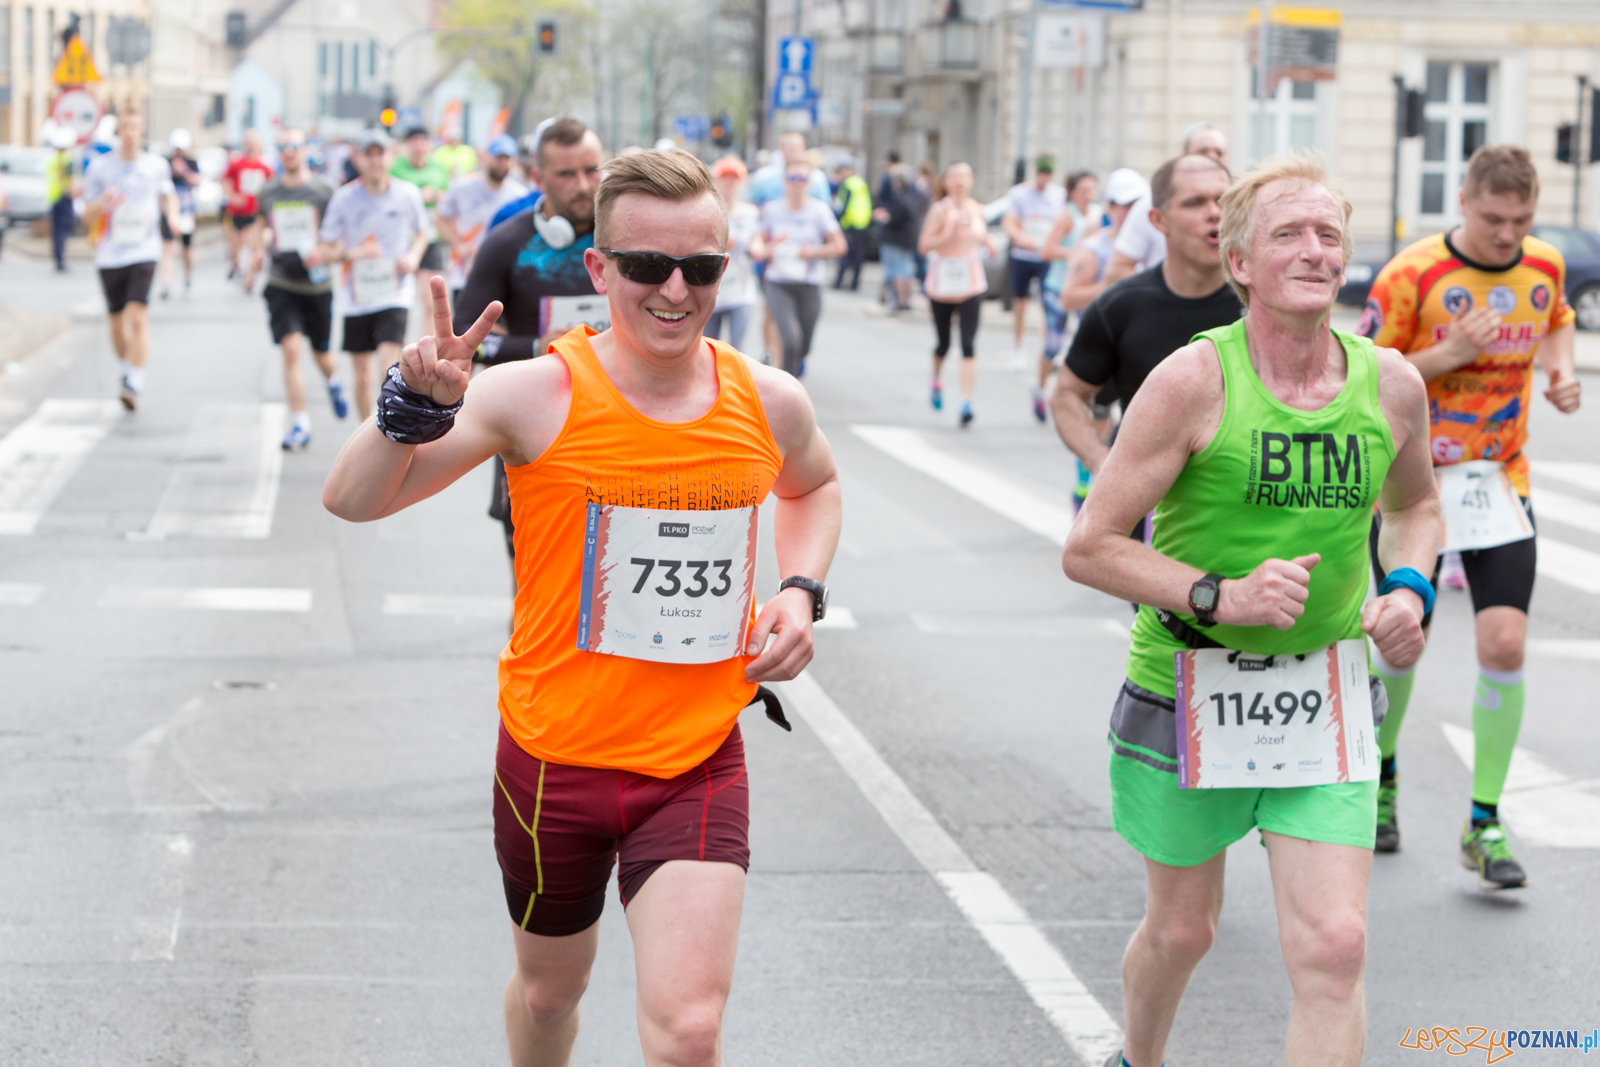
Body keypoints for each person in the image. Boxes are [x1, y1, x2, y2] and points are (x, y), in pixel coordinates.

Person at [321, 147, 841, 1067]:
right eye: (646, 266)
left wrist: (799, 591)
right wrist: (410, 403)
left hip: (694, 758)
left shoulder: (768, 400)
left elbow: (815, 487)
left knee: (688, 1031)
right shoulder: (534, 393)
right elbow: (355, 498)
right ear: (600, 269)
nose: (674, 290)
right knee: (551, 993)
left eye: (702, 267)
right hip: (553, 763)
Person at [1062, 153, 1439, 1067]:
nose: (1315, 251)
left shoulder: (1390, 384)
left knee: (1334, 944)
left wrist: (1410, 589)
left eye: (1328, 234)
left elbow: (1416, 507)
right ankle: (1137, 1057)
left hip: (1326, 690)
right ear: (1240, 262)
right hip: (1192, 683)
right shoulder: (1194, 382)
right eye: (1288, 234)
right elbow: (1091, 545)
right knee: (1184, 930)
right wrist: (1221, 595)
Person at [1358, 144, 1581, 886]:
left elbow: (1559, 317)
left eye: (1520, 220)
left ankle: (1483, 820)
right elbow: (1362, 377)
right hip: (1412, 487)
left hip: (1498, 480)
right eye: (1493, 218)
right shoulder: (1412, 274)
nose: (1507, 235)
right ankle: (1382, 779)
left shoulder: (1542, 265)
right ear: (1462, 200)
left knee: (1507, 642)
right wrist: (1447, 352)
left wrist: (1561, 372)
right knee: (1400, 641)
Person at [453, 116, 607, 571]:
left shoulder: (629, 240)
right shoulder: (507, 243)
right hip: (533, 436)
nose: (583, 185)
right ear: (538, 178)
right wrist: (538, 346)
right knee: (531, 601)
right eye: (566, 174)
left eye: (592, 170)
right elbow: (465, 344)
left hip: (621, 432)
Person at [1051, 154, 1238, 522]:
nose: (1215, 213)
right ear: (1158, 220)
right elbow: (1067, 393)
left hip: (1234, 513)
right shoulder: (1121, 304)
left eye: (1223, 200)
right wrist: (1099, 460)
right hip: (1145, 509)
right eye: (1195, 203)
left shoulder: (1263, 303)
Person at [317, 128, 430, 420]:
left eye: (381, 154)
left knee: (387, 368)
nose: (376, 161)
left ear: (391, 157)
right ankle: (364, 434)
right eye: (369, 155)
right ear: (358, 159)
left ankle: (386, 429)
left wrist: (413, 256)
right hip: (357, 295)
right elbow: (325, 250)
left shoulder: (407, 194)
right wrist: (353, 254)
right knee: (364, 376)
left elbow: (423, 232)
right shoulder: (343, 199)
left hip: (395, 291)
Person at [252, 127, 348, 452]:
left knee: (322, 355)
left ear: (306, 150)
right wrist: (255, 253)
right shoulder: (268, 192)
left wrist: (326, 251)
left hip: (317, 284)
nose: (289, 151)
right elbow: (262, 228)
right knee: (291, 348)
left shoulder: (324, 191)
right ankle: (300, 424)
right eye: (282, 146)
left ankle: (332, 383)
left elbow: (339, 235)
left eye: (294, 145)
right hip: (282, 281)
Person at [81, 110, 180, 412]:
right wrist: (102, 202)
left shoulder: (155, 166)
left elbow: (168, 196)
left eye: (135, 126)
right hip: (110, 253)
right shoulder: (100, 167)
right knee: (115, 322)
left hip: (143, 250)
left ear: (141, 130)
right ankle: (127, 368)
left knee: (137, 316)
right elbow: (86, 215)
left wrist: (173, 217)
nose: (130, 132)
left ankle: (134, 380)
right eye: (124, 127)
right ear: (118, 131)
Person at [1104, 122, 1230, 287]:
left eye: (1218, 152)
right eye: (1194, 203)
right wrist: (1164, 298)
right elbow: (1117, 270)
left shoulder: (1241, 202)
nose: (1212, 157)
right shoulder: (1153, 202)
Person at [754, 153, 846, 378]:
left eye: (802, 179)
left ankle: (796, 362)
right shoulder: (772, 210)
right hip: (778, 281)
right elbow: (757, 242)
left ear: (809, 183)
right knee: (790, 340)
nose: (797, 184)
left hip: (809, 282)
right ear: (785, 181)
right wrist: (766, 250)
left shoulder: (819, 211)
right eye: (793, 178)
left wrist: (813, 252)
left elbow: (839, 246)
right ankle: (788, 390)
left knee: (804, 344)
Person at [917, 161, 994, 426]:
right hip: (943, 283)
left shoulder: (975, 208)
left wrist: (989, 242)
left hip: (971, 282)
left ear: (971, 181)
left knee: (969, 343)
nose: (960, 180)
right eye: (955, 176)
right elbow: (924, 246)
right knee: (944, 342)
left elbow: (981, 234)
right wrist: (947, 232)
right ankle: (937, 379)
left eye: (965, 175)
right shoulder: (940, 210)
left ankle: (966, 401)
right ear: (946, 182)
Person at [1033, 168, 1103, 421]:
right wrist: (1073, 253)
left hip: (1085, 289)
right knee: (1053, 345)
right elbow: (1046, 249)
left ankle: (1082, 400)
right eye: (1083, 190)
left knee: (1089, 343)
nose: (1089, 195)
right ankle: (1040, 390)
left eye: (1092, 189)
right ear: (1072, 193)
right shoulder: (1067, 217)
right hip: (1057, 287)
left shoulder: (1098, 215)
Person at [435, 134, 530, 305]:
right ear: (486, 158)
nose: (502, 164)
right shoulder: (463, 186)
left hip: (501, 274)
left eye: (506, 159)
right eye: (498, 158)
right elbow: (440, 218)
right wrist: (457, 245)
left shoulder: (519, 195)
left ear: (513, 161)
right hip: (465, 271)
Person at [1001, 155, 1067, 370]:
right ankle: (1017, 349)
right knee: (1020, 305)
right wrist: (1020, 237)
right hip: (1023, 255)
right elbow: (1009, 222)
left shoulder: (1059, 195)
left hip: (1045, 257)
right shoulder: (1019, 193)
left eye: (1048, 174)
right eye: (1041, 173)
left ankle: (1049, 350)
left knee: (1047, 305)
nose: (1044, 178)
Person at [391, 127, 452, 316]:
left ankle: (426, 344)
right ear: (407, 145)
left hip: (432, 237)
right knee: (398, 301)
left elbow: (447, 195)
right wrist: (418, 196)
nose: (419, 145)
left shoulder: (438, 167)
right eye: (414, 140)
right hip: (402, 239)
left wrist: (435, 194)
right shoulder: (396, 167)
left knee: (431, 301)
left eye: (423, 140)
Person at [706, 156, 763, 349]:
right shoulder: (705, 211)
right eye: (725, 177)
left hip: (740, 289)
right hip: (711, 286)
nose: (729, 183)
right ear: (715, 180)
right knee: (709, 345)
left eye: (734, 178)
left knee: (736, 348)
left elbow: (756, 243)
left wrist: (764, 250)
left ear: (742, 182)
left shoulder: (750, 213)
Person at [224, 129, 274, 286]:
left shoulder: (265, 166)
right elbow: (224, 180)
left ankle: (249, 278)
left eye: (254, 143)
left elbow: (272, 187)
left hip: (254, 213)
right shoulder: (236, 163)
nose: (251, 146)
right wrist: (233, 197)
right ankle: (235, 264)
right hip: (235, 212)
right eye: (248, 143)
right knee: (235, 247)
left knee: (253, 245)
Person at [872, 165, 925, 313]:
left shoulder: (899, 197)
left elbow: (896, 217)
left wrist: (884, 216)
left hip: (895, 239)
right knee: (905, 270)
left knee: (897, 271)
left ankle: (900, 301)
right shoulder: (913, 195)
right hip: (907, 239)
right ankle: (904, 301)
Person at [157, 127, 198, 299]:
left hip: (186, 211)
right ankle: (166, 282)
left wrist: (184, 172)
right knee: (167, 246)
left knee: (186, 248)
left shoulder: (191, 162)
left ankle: (187, 277)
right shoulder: (164, 162)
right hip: (168, 211)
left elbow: (198, 180)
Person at [830, 158, 872, 291]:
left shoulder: (848, 184)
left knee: (845, 254)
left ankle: (839, 282)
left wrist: (837, 221)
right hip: (862, 223)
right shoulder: (860, 183)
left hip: (850, 223)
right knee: (858, 255)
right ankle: (854, 283)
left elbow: (842, 206)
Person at [47, 125, 78, 274]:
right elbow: (69, 178)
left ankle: (57, 258)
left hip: (53, 197)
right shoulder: (67, 157)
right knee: (64, 229)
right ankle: (61, 259)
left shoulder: (52, 157)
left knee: (56, 230)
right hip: (64, 197)